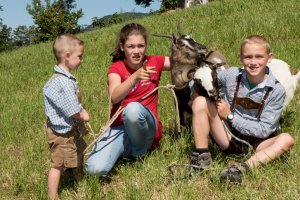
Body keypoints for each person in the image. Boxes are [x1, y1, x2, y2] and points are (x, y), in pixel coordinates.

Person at [190, 35, 294, 183]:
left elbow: (264, 130)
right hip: (227, 135)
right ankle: (201, 159)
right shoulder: (232, 74)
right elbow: (205, 76)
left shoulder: (276, 91)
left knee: (287, 139)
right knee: (200, 101)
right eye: (248, 57)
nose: (253, 62)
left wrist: (230, 116)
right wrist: (195, 89)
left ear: (269, 58)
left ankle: (242, 168)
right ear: (240, 58)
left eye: (259, 57)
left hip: (258, 144)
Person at [86, 23, 171, 177]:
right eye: (131, 46)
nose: (137, 51)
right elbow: (115, 97)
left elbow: (181, 62)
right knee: (94, 170)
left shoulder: (154, 61)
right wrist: (134, 77)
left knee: (132, 109)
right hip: (120, 128)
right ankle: (125, 151)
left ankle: (139, 156)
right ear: (122, 47)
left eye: (141, 46)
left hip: (147, 129)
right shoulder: (116, 68)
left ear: (146, 46)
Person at [43, 34, 90, 199]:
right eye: (80, 56)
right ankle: (53, 195)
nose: (81, 60)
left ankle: (77, 179)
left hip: (69, 129)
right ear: (67, 56)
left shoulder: (65, 79)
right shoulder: (62, 82)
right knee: (58, 164)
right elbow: (71, 109)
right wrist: (82, 114)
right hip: (61, 133)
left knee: (77, 153)